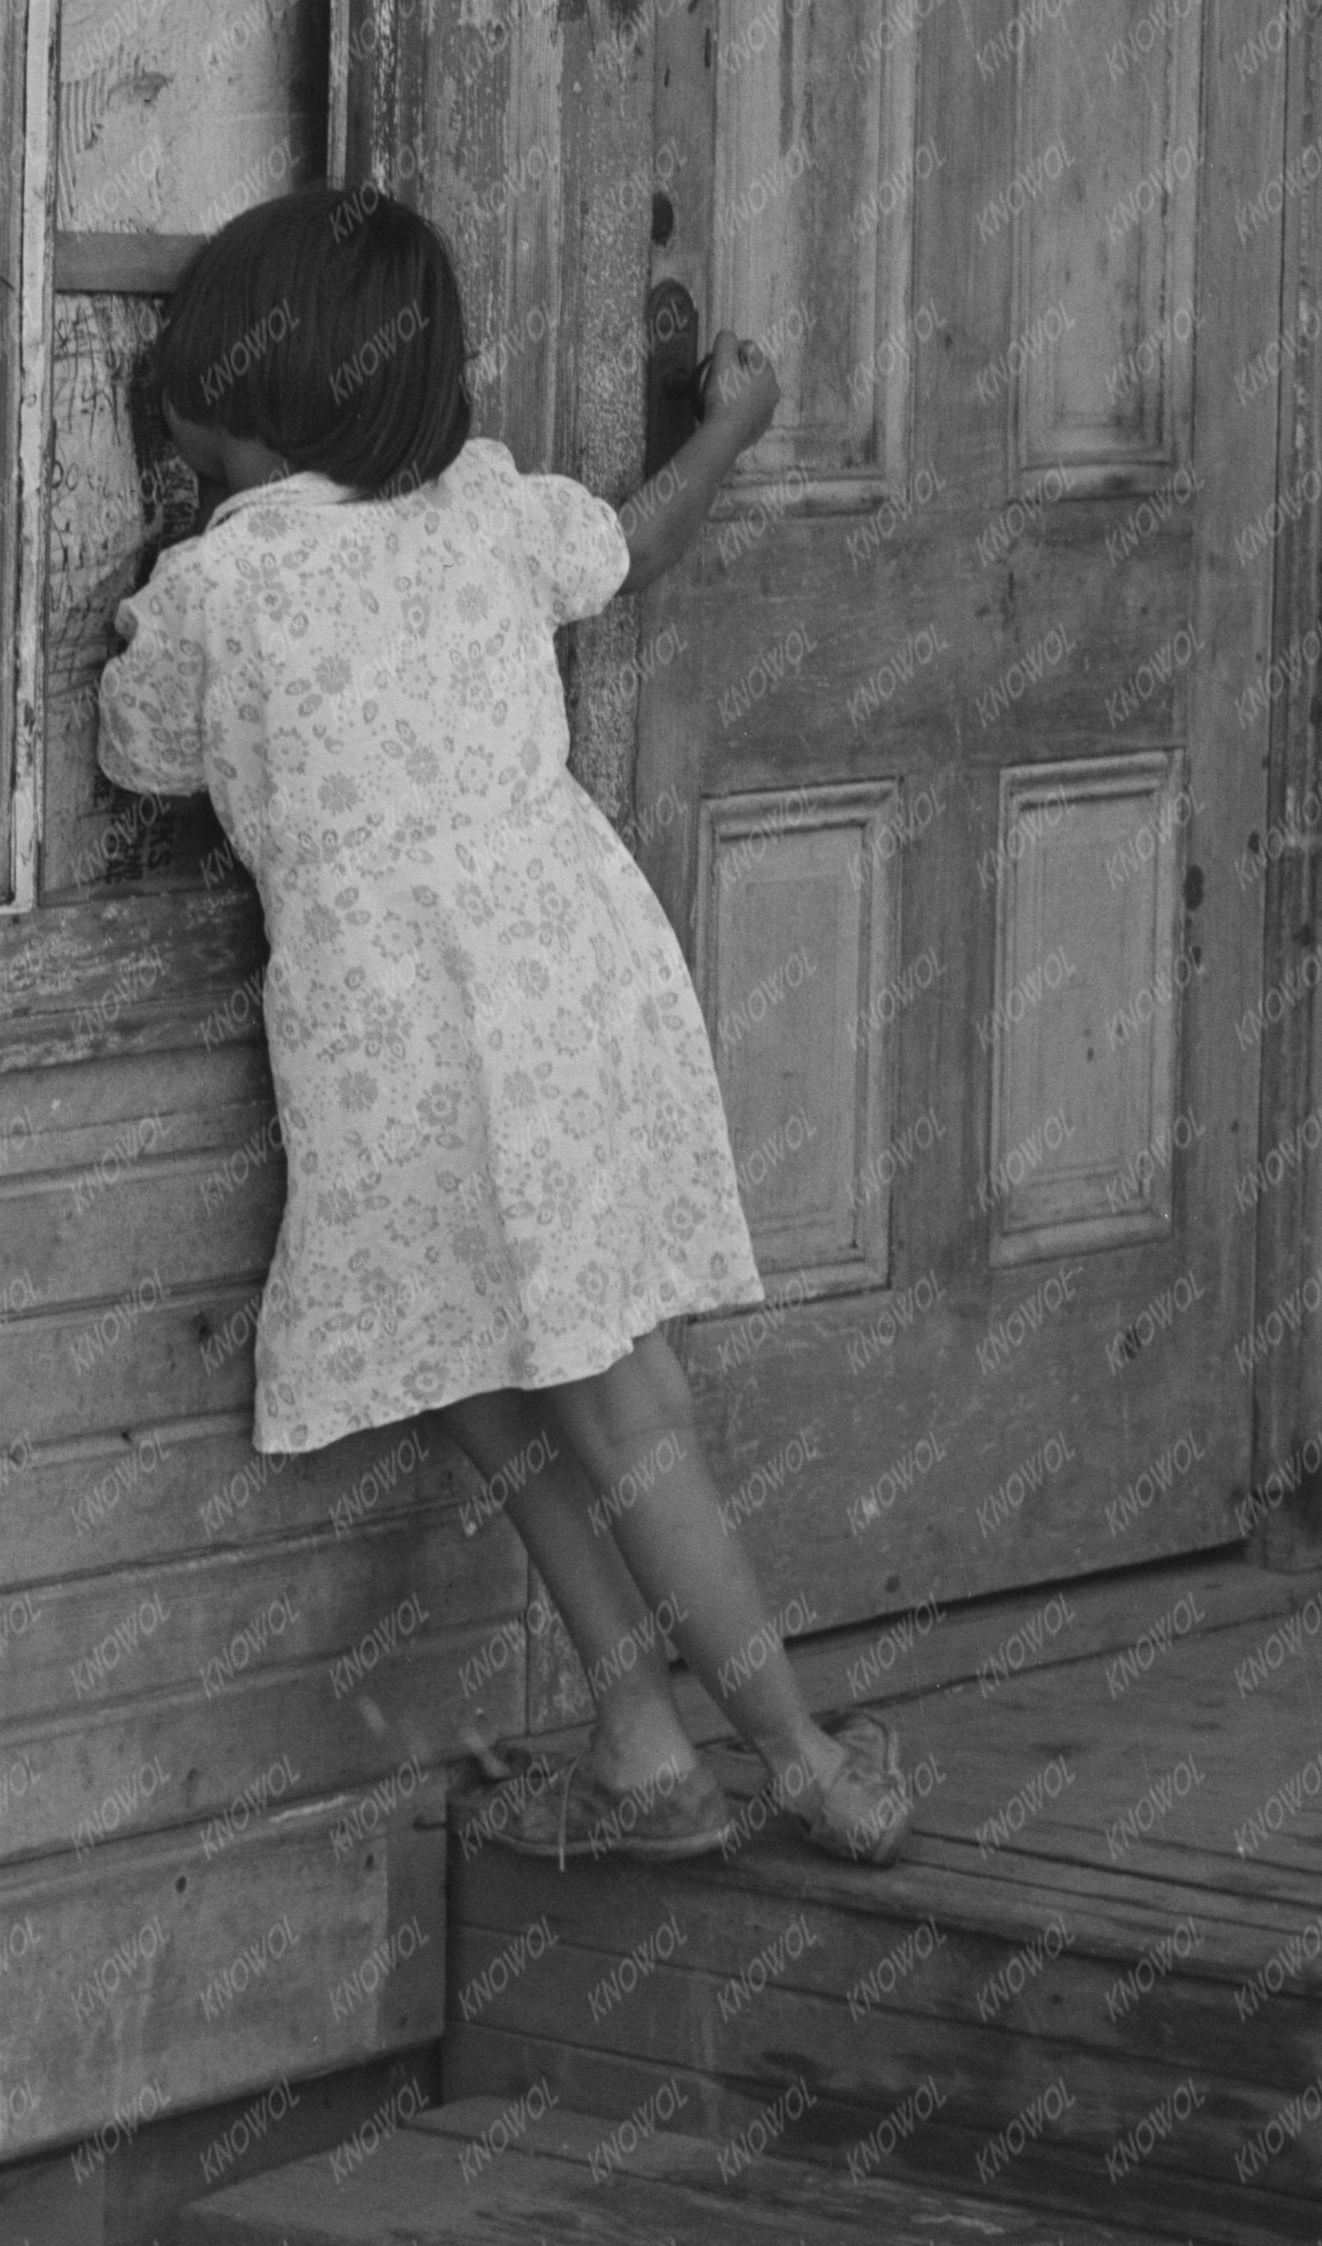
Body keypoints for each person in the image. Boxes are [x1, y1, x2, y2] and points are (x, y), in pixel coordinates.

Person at [95, 181, 910, 1869]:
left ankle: (799, 1753)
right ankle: (644, 1748)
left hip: (399, 1034)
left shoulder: (215, 593)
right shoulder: (478, 506)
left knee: (574, 1406)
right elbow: (632, 541)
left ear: (226, 392)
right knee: (526, 1388)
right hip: (570, 988)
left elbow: (139, 753)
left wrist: (174, 549)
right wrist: (735, 425)